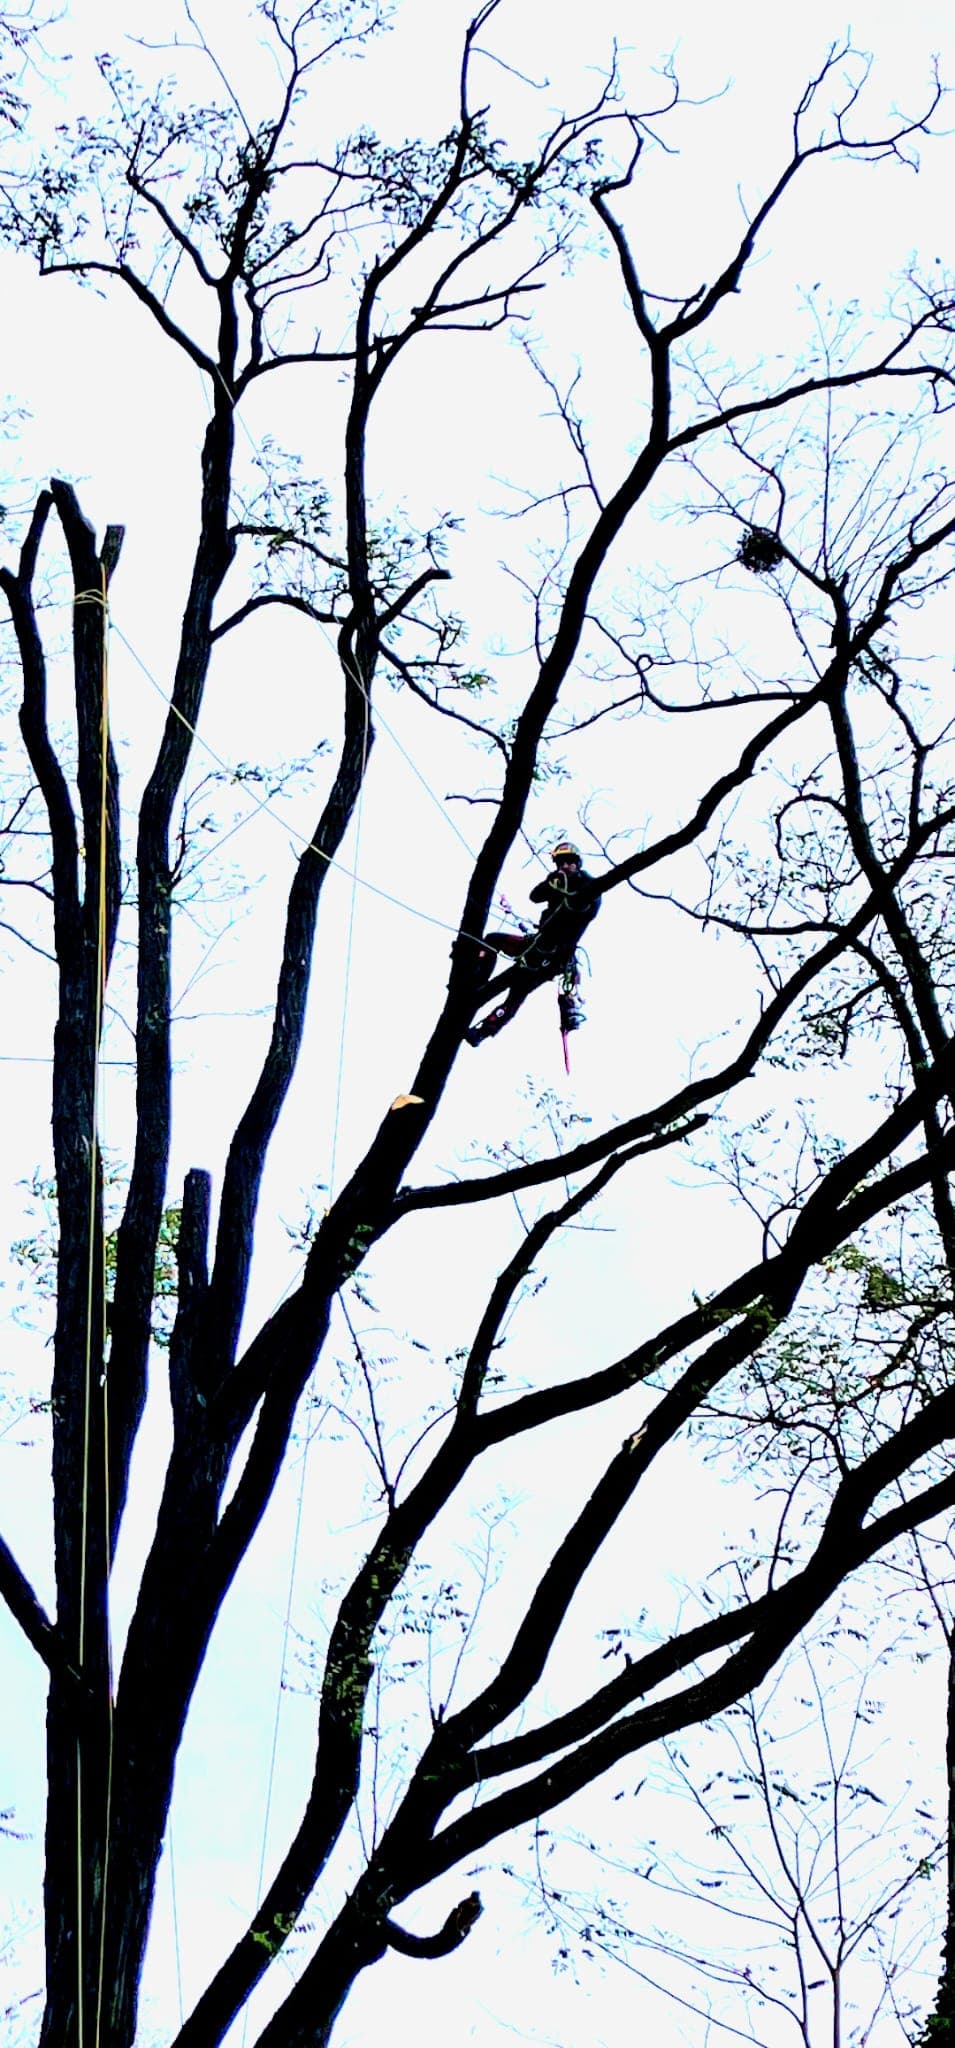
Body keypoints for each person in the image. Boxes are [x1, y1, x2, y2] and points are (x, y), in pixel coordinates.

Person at [465, 842, 600, 1046]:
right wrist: (551, 882)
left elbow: (593, 906)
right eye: (560, 863)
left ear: (576, 864)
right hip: (535, 943)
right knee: (492, 940)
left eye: (568, 863)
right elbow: (535, 896)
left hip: (556, 956)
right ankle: (478, 979)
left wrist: (573, 889)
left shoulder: (588, 887)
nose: (563, 867)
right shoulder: (556, 882)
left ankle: (483, 1032)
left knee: (517, 993)